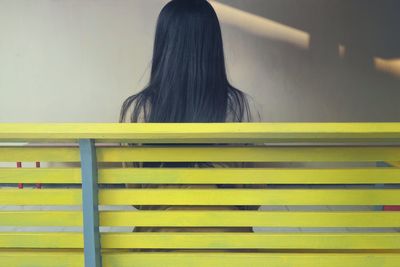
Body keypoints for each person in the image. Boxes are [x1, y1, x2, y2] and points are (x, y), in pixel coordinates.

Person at [119, 0, 261, 235]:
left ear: (164, 45)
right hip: (230, 248)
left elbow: (135, 196)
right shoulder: (241, 109)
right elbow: (252, 199)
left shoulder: (138, 110)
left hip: (160, 247)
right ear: (213, 47)